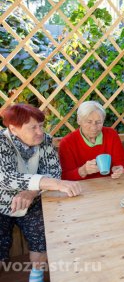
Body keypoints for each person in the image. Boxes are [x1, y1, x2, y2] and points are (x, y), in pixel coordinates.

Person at [0, 104, 82, 282]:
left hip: (34, 200)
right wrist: (54, 184)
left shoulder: (44, 140)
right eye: (33, 127)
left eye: (41, 125)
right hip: (1, 203)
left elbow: (54, 171)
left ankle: (36, 277)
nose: (40, 131)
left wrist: (30, 193)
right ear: (13, 129)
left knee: (41, 238)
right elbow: (6, 176)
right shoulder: (1, 142)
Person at [59, 101, 124, 180]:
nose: (94, 127)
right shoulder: (67, 143)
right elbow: (65, 176)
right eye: (89, 122)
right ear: (79, 120)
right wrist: (83, 170)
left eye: (98, 122)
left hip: (110, 185)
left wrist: (120, 169)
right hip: (81, 189)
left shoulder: (111, 134)